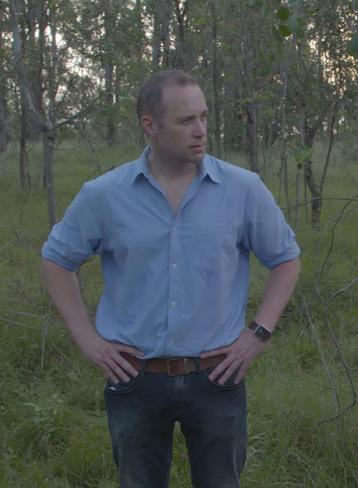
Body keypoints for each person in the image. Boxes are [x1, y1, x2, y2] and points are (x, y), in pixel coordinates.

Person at [41, 70, 300, 488]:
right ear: (150, 125)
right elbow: (56, 260)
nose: (201, 131)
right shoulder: (104, 195)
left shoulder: (243, 188)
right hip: (134, 377)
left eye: (203, 117)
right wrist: (88, 340)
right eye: (185, 121)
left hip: (218, 375)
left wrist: (258, 334)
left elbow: (286, 259)